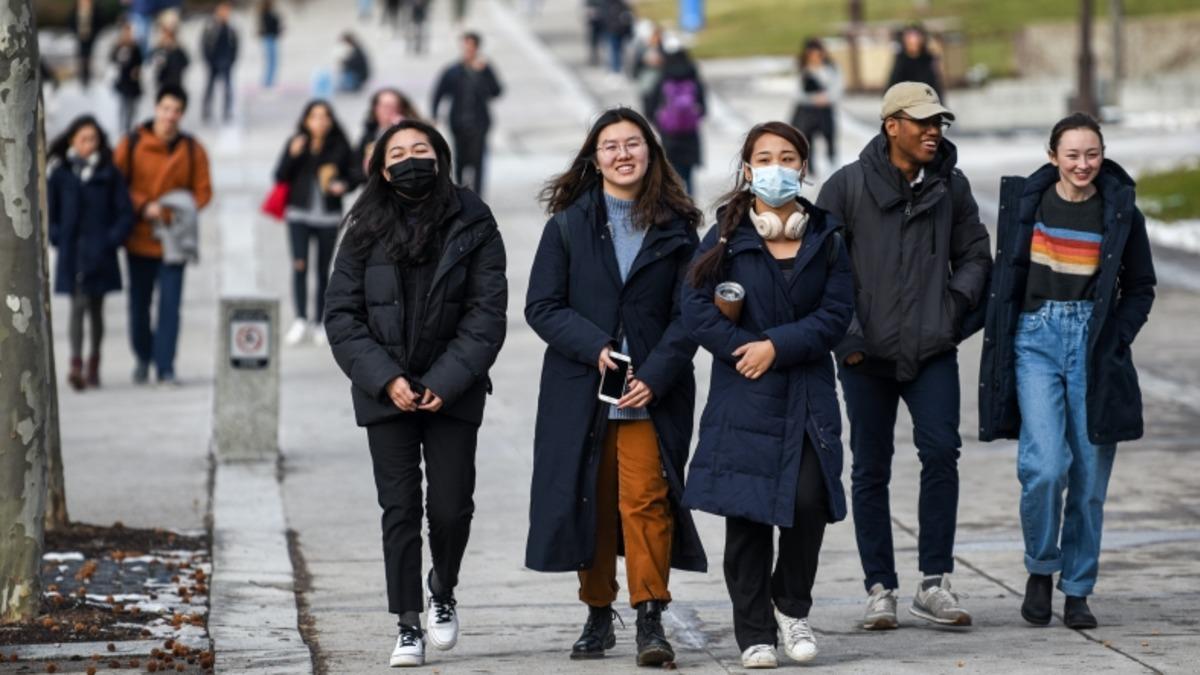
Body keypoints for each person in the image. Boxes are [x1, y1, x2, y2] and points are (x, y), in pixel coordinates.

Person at [524, 107, 707, 666]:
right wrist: (596, 346)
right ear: (594, 157)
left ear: (651, 153)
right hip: (582, 389)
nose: (623, 154)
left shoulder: (678, 228)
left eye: (633, 144)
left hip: (653, 391)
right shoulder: (568, 225)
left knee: (646, 499)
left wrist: (655, 374)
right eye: (610, 146)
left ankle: (650, 614)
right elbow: (542, 306)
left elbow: (691, 312)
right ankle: (598, 611)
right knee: (592, 500)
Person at [324, 119, 508, 668]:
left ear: (440, 156)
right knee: (399, 509)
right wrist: (387, 380)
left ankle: (442, 590)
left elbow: (486, 313)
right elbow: (342, 314)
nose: (410, 159)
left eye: (420, 149)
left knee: (450, 509)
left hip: (454, 390)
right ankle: (407, 622)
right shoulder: (362, 225)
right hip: (386, 393)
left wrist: (444, 384)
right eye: (398, 152)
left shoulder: (474, 219)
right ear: (382, 167)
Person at [815, 82, 991, 630]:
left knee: (941, 453)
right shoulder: (844, 188)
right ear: (892, 125)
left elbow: (976, 254)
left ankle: (934, 582)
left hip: (932, 347)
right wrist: (848, 339)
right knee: (870, 469)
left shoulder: (952, 188)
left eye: (939, 122)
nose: (934, 131)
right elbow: (820, 270)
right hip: (866, 355)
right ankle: (880, 588)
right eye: (922, 122)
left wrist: (953, 307)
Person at [681, 121, 853, 668]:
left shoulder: (826, 235)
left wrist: (776, 346)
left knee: (810, 502)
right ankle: (754, 633)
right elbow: (696, 310)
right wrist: (742, 349)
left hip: (804, 388)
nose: (776, 166)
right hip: (745, 393)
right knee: (748, 515)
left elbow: (835, 314)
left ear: (802, 166)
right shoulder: (726, 236)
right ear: (749, 168)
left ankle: (791, 605)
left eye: (787, 156)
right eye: (764, 157)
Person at [979, 113, 1156, 630]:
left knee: (1088, 482)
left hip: (1094, 345)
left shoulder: (1121, 212)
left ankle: (1077, 589)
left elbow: (1140, 286)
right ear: (1052, 155)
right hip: (1036, 341)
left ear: (1103, 155)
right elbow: (1004, 280)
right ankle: (1041, 566)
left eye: (1093, 154)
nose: (1084, 164)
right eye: (1073, 154)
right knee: (1045, 467)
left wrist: (1117, 336)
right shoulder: (1027, 205)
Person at [115, 85, 213, 386]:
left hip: (175, 240)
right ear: (156, 108)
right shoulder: (131, 143)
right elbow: (116, 185)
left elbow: (203, 192)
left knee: (171, 306)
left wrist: (173, 210)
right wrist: (143, 205)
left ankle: (165, 365)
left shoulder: (193, 149)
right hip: (139, 238)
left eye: (176, 111)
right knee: (139, 305)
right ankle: (143, 357)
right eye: (166, 109)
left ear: (182, 114)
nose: (170, 116)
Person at [47, 116, 134, 391]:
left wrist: (111, 240)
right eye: (83, 139)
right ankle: (75, 363)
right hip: (73, 252)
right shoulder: (61, 174)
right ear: (72, 140)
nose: (88, 144)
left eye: (93, 139)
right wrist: (57, 236)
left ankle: (94, 361)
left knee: (96, 308)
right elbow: (50, 212)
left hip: (101, 252)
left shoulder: (109, 173)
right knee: (77, 305)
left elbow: (124, 212)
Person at [274, 100, 357, 346]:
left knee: (323, 269)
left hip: (328, 216)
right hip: (298, 214)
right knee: (299, 265)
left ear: (331, 121)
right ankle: (300, 318)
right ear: (306, 120)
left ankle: (320, 321)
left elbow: (354, 175)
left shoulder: (340, 146)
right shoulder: (297, 143)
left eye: (324, 117)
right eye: (314, 117)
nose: (319, 122)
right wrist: (293, 154)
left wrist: (342, 185)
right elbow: (279, 175)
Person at [431, 32, 502, 196]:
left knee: (478, 160)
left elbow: (496, 91)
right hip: (458, 122)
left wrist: (482, 74)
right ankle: (461, 192)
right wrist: (435, 114)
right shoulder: (453, 70)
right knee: (460, 159)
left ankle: (478, 195)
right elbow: (439, 93)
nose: (468, 50)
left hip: (479, 122)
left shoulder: (485, 69)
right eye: (465, 46)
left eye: (471, 46)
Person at [647, 41, 705, 195]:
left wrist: (659, 123)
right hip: (690, 135)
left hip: (669, 134)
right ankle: (691, 204)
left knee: (672, 173)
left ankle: (677, 205)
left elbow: (650, 104)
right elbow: (704, 108)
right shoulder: (692, 77)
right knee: (688, 175)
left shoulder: (664, 77)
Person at [791, 38, 841, 176]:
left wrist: (827, 98)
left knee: (829, 136)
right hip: (807, 111)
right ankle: (810, 168)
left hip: (825, 110)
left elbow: (837, 88)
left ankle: (832, 162)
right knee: (807, 140)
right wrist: (813, 99)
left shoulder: (830, 69)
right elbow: (797, 93)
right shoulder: (803, 70)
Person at [357, 87, 421, 179]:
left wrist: (404, 128)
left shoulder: (411, 130)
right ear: (375, 109)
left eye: (394, 106)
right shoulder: (370, 132)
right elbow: (357, 163)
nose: (389, 110)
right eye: (385, 106)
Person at [201, 1, 239, 123]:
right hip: (213, 62)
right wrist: (208, 59)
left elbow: (236, 45)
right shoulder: (210, 27)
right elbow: (204, 44)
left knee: (227, 88)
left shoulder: (230, 28)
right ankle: (206, 110)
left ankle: (227, 111)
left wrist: (232, 59)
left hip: (226, 61)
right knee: (210, 87)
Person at [888, 25, 943, 99]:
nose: (913, 40)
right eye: (910, 37)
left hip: (926, 101)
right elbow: (892, 87)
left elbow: (935, 86)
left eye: (916, 36)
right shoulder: (901, 60)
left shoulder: (928, 59)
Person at [110, 21, 144, 134]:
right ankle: (123, 129)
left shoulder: (136, 48)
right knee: (123, 106)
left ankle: (130, 128)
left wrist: (137, 71)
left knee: (132, 108)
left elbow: (140, 63)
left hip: (133, 83)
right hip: (122, 82)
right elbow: (112, 61)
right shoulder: (117, 47)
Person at [69, 0, 103, 89]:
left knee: (88, 56)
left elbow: (100, 22)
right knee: (81, 56)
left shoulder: (95, 10)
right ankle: (82, 76)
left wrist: (94, 33)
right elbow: (71, 21)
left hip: (90, 37)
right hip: (80, 36)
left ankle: (87, 76)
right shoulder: (76, 9)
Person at [599, 0, 633, 75]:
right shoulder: (607, 4)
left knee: (618, 51)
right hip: (612, 31)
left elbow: (628, 18)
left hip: (619, 31)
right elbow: (604, 17)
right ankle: (614, 69)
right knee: (612, 51)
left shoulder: (622, 4)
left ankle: (618, 69)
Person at [150, 27, 189, 92]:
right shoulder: (159, 49)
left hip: (175, 82)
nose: (167, 40)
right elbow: (152, 63)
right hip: (162, 82)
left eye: (169, 37)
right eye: (165, 37)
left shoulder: (178, 50)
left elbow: (186, 62)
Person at [258, 0, 282, 89]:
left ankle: (269, 81)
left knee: (272, 61)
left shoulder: (268, 14)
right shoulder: (266, 15)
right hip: (269, 38)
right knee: (271, 61)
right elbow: (270, 26)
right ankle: (267, 82)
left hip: (271, 38)